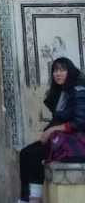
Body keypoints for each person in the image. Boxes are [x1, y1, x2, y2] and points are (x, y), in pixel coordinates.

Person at [17, 56, 85, 203]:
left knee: (35, 155)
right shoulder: (63, 91)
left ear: (70, 71)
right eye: (55, 70)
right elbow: (58, 118)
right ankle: (24, 198)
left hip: (77, 142)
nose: (58, 74)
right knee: (25, 153)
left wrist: (50, 131)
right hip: (63, 137)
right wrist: (48, 132)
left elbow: (80, 122)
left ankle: (34, 198)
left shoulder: (79, 89)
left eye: (62, 70)